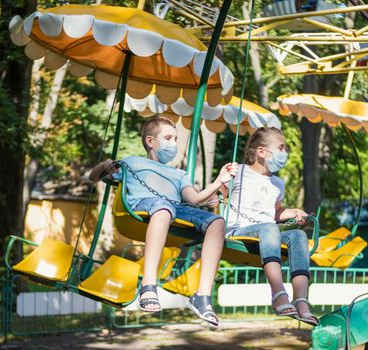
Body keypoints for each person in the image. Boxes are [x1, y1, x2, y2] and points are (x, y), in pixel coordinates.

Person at [89, 116, 237, 326]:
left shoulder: (179, 173)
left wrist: (219, 182)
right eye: (168, 138)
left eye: (176, 139)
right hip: (143, 206)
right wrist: (104, 166)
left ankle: (202, 297)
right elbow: (93, 177)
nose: (173, 144)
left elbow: (194, 199)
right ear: (151, 141)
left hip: (176, 210)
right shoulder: (132, 162)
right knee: (163, 208)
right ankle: (149, 285)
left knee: (217, 222)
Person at [222, 127, 318, 326]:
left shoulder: (278, 183)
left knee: (299, 236)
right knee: (269, 228)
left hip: (267, 233)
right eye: (281, 148)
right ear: (261, 152)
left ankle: (301, 299)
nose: (285, 154)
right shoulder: (238, 172)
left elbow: (274, 213)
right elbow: (218, 196)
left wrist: (293, 212)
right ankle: (278, 293)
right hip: (238, 231)